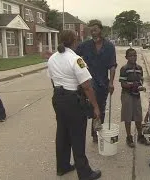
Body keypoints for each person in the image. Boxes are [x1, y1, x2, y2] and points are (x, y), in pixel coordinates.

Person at [47, 30, 101, 180]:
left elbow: (52, 79)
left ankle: (62, 166)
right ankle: (85, 173)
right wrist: (96, 106)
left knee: (62, 133)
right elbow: (87, 86)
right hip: (73, 100)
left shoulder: (52, 58)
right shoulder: (76, 59)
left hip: (58, 98)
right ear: (74, 41)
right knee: (77, 136)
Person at [75, 20, 117, 143]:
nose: (93, 32)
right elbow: (74, 57)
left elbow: (112, 65)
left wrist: (111, 82)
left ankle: (96, 133)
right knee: (87, 109)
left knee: (100, 109)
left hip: (103, 83)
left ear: (100, 30)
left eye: (96, 29)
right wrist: (82, 67)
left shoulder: (109, 46)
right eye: (91, 30)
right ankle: (83, 135)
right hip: (87, 83)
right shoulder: (85, 45)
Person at [119, 48, 150, 147]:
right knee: (127, 116)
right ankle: (129, 137)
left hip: (136, 95)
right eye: (131, 55)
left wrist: (140, 86)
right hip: (127, 94)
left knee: (138, 115)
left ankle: (140, 136)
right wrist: (133, 86)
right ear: (126, 57)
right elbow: (123, 84)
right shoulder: (124, 68)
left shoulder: (139, 68)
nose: (133, 57)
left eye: (135, 55)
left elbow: (141, 80)